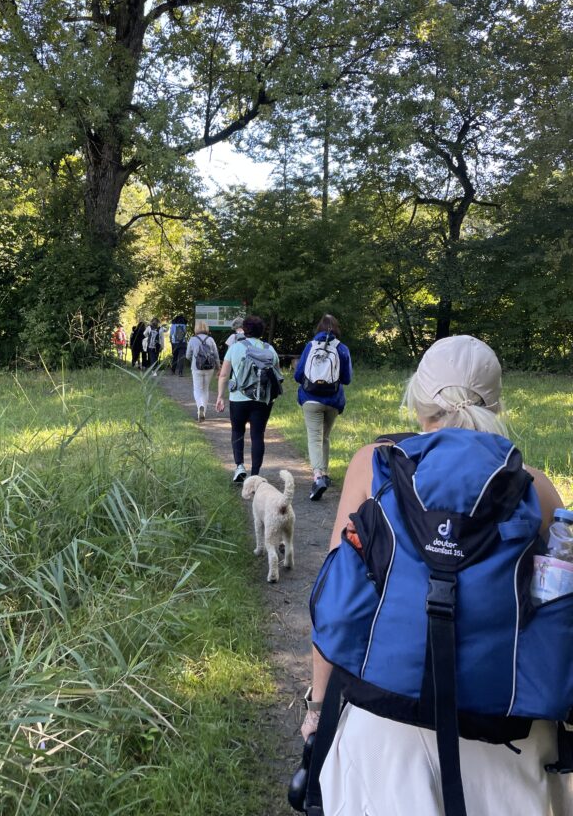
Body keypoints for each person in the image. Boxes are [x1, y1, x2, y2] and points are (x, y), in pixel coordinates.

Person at [300, 335, 571, 816]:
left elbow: (338, 600)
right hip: (507, 731)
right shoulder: (536, 488)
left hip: (384, 723)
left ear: (418, 400)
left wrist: (317, 706)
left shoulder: (374, 466)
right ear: (496, 404)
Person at [215, 315, 281, 483]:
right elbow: (277, 375)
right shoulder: (269, 349)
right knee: (257, 435)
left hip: (238, 397)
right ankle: (255, 474)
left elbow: (224, 374)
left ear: (244, 330)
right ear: (261, 331)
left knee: (237, 431)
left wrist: (220, 396)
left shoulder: (235, 347)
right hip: (262, 398)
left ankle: (239, 467)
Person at [293, 314, 352, 501]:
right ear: (336, 328)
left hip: (311, 399)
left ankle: (318, 476)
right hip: (333, 400)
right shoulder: (342, 349)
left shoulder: (310, 346)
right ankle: (324, 474)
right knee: (325, 437)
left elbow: (298, 375)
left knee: (314, 438)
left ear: (319, 328)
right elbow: (347, 379)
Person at [186, 320, 220, 421]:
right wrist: (218, 367)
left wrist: (194, 359)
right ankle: (203, 411)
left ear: (196, 328)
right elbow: (216, 355)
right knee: (205, 389)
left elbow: (187, 355)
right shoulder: (211, 339)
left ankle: (200, 407)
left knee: (197, 389)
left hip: (196, 368)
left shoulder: (192, 339)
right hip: (209, 368)